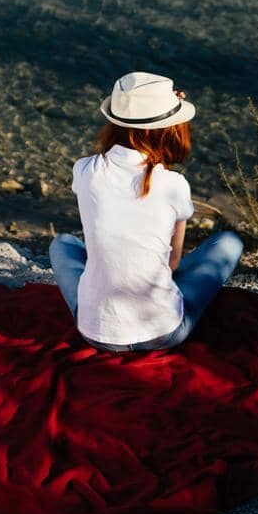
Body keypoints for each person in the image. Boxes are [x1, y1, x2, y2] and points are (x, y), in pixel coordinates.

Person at [49, 71, 244, 352]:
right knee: (229, 242)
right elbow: (173, 263)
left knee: (63, 243)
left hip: (94, 332)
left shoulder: (85, 170)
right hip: (163, 332)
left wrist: (162, 111)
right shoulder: (174, 184)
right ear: (161, 130)